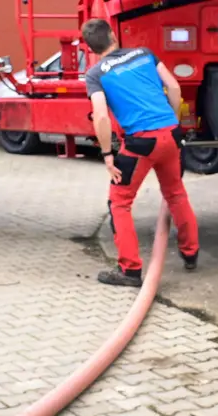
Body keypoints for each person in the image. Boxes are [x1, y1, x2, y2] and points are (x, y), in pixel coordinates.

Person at [81, 18, 200, 287]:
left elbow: (100, 117)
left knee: (119, 202)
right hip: (170, 134)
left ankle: (130, 270)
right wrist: (173, 122)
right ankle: (191, 254)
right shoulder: (145, 53)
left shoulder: (96, 74)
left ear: (90, 48)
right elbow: (175, 87)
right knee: (176, 193)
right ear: (112, 35)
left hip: (139, 144)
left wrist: (108, 155)